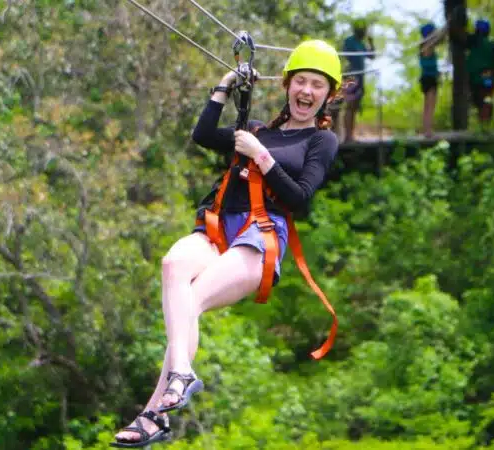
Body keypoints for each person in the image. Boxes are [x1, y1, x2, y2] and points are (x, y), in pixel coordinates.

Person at [111, 39, 342, 448]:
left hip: (261, 234)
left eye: (317, 86)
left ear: (328, 95)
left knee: (192, 300)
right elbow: (202, 134)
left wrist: (262, 156)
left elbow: (300, 198)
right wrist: (224, 87)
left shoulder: (320, 142)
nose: (306, 92)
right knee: (173, 267)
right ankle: (179, 379)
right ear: (287, 85)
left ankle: (152, 415)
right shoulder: (257, 130)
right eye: (300, 82)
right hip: (219, 228)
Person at [463, 19, 494, 124]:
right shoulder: (493, 45)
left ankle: (482, 124)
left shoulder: (473, 40)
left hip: (474, 79)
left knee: (477, 100)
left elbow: (462, 38)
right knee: (486, 100)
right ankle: (485, 124)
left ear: (477, 30)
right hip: (487, 78)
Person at [341, 18, 375, 142]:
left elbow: (372, 56)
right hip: (351, 76)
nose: (363, 32)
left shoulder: (362, 44)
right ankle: (347, 136)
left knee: (355, 106)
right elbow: (345, 54)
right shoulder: (350, 41)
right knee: (349, 105)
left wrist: (371, 43)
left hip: (360, 77)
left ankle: (351, 135)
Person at [419, 22, 448, 138]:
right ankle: (428, 131)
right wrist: (445, 28)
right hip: (428, 79)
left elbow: (441, 40)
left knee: (428, 105)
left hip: (429, 77)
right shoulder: (427, 46)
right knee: (430, 105)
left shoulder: (424, 46)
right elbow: (439, 38)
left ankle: (427, 129)